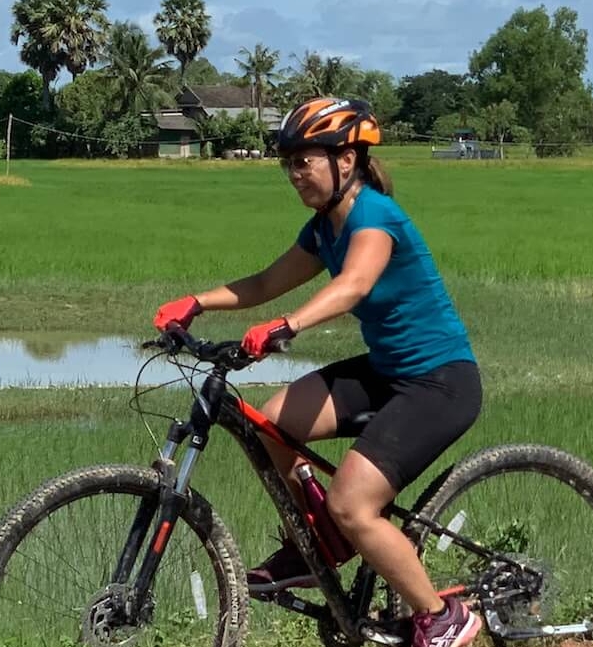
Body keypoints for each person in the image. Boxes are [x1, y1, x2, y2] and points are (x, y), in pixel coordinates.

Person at [152, 96, 483, 647]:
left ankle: (444, 616)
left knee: (353, 502)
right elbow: (263, 283)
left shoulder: (376, 216)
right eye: (289, 163)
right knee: (274, 422)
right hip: (387, 371)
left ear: (345, 161)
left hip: (439, 382)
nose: (294, 173)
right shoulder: (322, 227)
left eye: (305, 160)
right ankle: (316, 545)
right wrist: (196, 302)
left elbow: (353, 283)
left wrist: (288, 325)